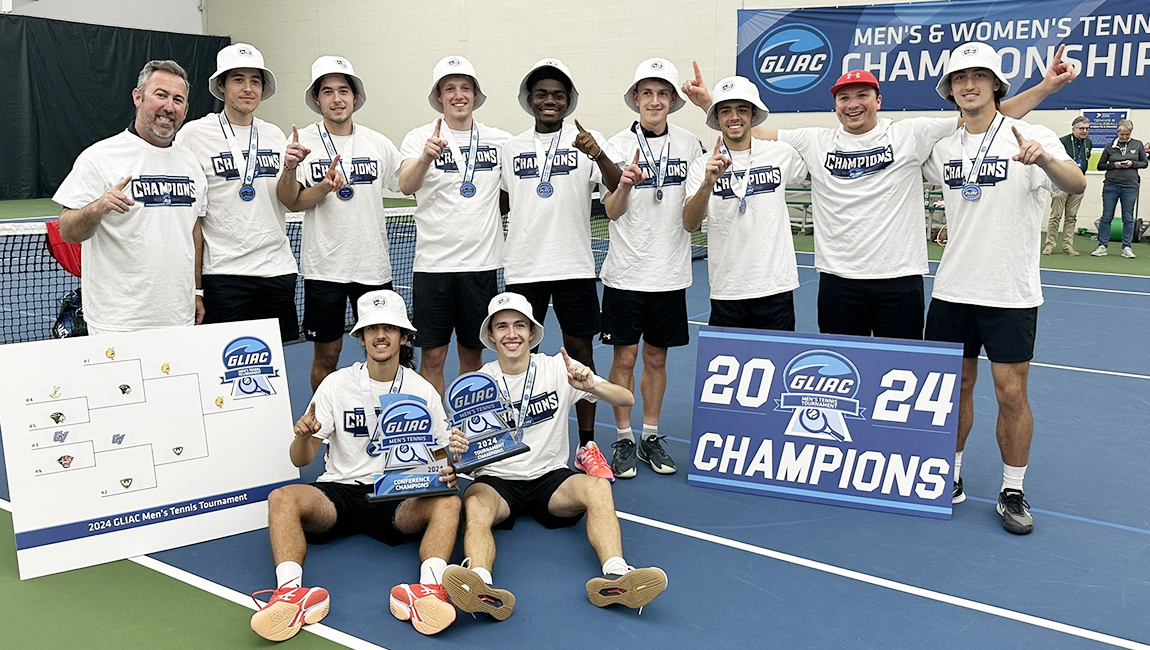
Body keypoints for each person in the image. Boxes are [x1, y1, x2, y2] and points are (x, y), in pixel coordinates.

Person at [681, 52, 1076, 340]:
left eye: (862, 96)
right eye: (844, 98)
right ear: (835, 105)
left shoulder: (911, 133)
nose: (853, 105)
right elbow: (746, 129)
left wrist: (1045, 88)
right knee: (840, 372)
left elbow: (984, 115)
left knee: (899, 370)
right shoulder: (814, 141)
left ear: (878, 100)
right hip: (838, 281)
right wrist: (709, 104)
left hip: (899, 278)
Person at [921, 43, 1085, 535]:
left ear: (996, 84)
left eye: (979, 76)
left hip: (1010, 292)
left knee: (1011, 392)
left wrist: (1044, 162)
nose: (969, 85)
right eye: (959, 78)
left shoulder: (1030, 134)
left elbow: (1075, 184)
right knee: (954, 390)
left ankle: (1012, 489)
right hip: (952, 289)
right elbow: (973, 123)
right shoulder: (943, 146)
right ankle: (948, 477)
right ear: (950, 90)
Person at [250, 290, 467, 641]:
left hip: (398, 496)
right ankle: (291, 594)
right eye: (372, 329)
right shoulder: (336, 385)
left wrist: (448, 471)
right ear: (361, 337)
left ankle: (427, 591)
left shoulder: (422, 390)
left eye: (389, 328)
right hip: (340, 493)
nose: (381, 335)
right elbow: (300, 459)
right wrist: (304, 436)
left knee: (450, 503)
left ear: (404, 336)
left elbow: (442, 458)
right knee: (282, 498)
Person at [440, 293, 668, 620]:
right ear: (491, 336)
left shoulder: (557, 369)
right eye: (502, 327)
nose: (511, 334)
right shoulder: (475, 383)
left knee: (598, 487)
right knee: (474, 504)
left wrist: (592, 384)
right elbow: (461, 445)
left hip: (551, 480)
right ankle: (478, 583)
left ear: (532, 332)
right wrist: (457, 445)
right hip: (497, 482)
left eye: (520, 325)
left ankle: (617, 577)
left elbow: (626, 397)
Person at [500, 58, 622, 481]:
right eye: (541, 94)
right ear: (529, 101)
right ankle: (522, 437)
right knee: (520, 356)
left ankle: (587, 445)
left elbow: (617, 182)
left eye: (557, 94)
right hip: (524, 267)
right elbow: (500, 201)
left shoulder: (588, 141)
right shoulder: (510, 148)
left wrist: (597, 152)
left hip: (573, 266)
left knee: (581, 354)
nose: (549, 100)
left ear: (568, 102)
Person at [601, 58, 705, 479]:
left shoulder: (690, 143)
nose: (655, 101)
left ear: (672, 101)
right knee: (624, 359)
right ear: (636, 99)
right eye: (647, 93)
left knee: (657, 360)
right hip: (625, 273)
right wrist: (624, 185)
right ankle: (624, 438)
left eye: (663, 94)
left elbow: (736, 132)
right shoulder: (615, 145)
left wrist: (706, 102)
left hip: (670, 273)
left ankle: (650, 435)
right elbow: (610, 211)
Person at [276, 56, 404, 391]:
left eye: (343, 90)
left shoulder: (378, 144)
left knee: (388, 355)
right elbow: (292, 201)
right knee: (327, 356)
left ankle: (388, 419)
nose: (337, 98)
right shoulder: (300, 143)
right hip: (325, 270)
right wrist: (308, 179)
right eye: (328, 91)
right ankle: (324, 422)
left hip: (374, 269)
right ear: (317, 98)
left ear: (355, 97)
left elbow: (406, 183)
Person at [56, 60, 206, 335]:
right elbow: (67, 230)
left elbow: (193, 229)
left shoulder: (191, 163)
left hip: (178, 317)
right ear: (138, 97)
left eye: (178, 99)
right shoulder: (99, 157)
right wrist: (98, 207)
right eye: (160, 95)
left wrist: (196, 290)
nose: (169, 107)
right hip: (117, 322)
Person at [399, 56, 511, 394]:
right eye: (450, 88)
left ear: (475, 95)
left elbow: (512, 192)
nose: (458, 95)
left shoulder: (500, 140)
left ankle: (466, 430)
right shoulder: (419, 137)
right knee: (432, 357)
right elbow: (406, 185)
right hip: (433, 267)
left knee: (472, 357)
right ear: (439, 96)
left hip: (482, 266)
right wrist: (425, 158)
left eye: (465, 87)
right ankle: (436, 431)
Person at [176, 43, 299, 343]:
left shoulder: (273, 134)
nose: (248, 88)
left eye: (255, 81)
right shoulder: (192, 135)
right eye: (238, 79)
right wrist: (195, 288)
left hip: (277, 272)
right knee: (225, 368)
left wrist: (292, 169)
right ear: (221, 85)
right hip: (224, 276)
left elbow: (288, 199)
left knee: (276, 367)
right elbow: (189, 220)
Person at [683, 76, 808, 330]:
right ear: (717, 118)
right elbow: (690, 223)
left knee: (777, 364)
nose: (734, 117)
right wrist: (707, 183)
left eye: (742, 109)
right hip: (727, 291)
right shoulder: (701, 165)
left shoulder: (781, 153)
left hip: (776, 287)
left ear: (753, 114)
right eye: (726, 110)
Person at [1092, 119, 1146, 259]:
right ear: (1117, 133)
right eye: (1122, 134)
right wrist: (1114, 165)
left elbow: (1144, 163)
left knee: (1128, 218)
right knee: (1106, 216)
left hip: (1130, 186)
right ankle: (1102, 246)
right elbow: (1100, 165)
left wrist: (1132, 163)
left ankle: (1126, 247)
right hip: (1111, 185)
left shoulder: (1137, 144)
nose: (1124, 137)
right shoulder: (1110, 146)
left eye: (1127, 134)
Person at [1044, 116, 1091, 256]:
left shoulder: (1088, 143)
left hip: (1077, 184)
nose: (1084, 131)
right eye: (1081, 128)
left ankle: (1068, 246)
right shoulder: (1062, 142)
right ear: (1073, 128)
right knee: (1055, 216)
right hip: (1061, 183)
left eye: (1087, 129)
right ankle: (1050, 245)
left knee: (1071, 217)